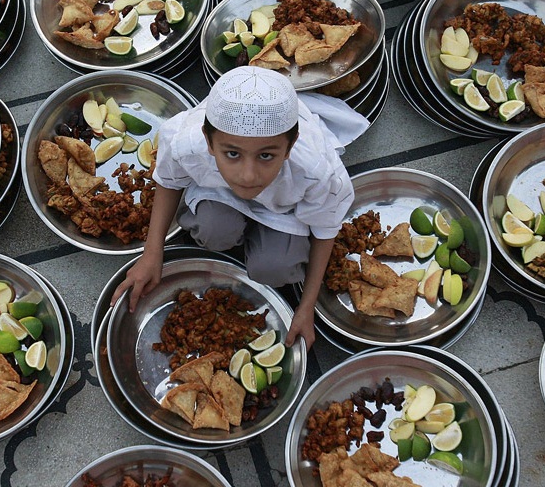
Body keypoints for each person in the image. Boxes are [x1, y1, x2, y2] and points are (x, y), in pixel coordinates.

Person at [110, 66, 368, 348]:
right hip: (219, 191)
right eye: (232, 154)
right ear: (209, 142)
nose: (248, 176)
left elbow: (324, 230)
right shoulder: (187, 144)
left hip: (284, 208)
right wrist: (152, 252)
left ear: (290, 145)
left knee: (275, 269)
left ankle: (264, 243)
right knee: (213, 232)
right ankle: (235, 226)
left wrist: (306, 307)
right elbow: (169, 181)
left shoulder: (316, 171)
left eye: (266, 156)